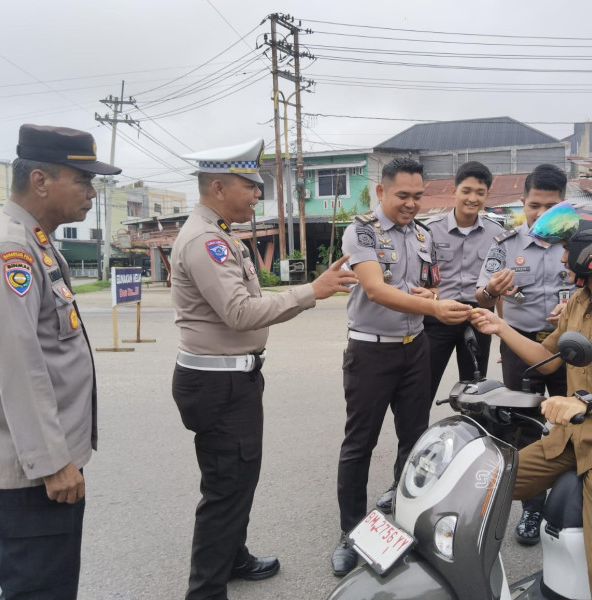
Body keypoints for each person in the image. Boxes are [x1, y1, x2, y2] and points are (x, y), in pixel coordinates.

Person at [171, 139, 357, 600]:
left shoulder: (219, 233)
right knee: (226, 486)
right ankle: (206, 590)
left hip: (230, 377)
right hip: (218, 382)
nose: (258, 195)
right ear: (218, 186)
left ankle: (232, 557)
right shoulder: (205, 241)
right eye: (250, 186)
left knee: (238, 477)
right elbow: (239, 313)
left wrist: (313, 291)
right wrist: (311, 291)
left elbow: (251, 307)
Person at [470, 201, 592, 600]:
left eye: (566, 247)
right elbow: (546, 363)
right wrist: (501, 327)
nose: (561, 256)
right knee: (483, 489)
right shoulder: (579, 302)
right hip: (572, 439)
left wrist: (583, 404)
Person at [0, 124, 120, 598]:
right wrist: (53, 463)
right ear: (41, 181)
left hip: (43, 463)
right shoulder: (9, 250)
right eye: (84, 180)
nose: (92, 194)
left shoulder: (34, 240)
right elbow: (18, 367)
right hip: (31, 473)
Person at [331, 157, 473, 576]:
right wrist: (432, 305)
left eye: (417, 196)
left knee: (415, 441)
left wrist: (428, 296)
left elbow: (427, 285)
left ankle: (407, 524)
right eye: (402, 196)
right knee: (360, 444)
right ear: (381, 192)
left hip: (416, 348)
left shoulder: (423, 234)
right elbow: (375, 290)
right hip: (371, 352)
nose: (411, 204)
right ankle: (351, 532)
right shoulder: (361, 231)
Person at [474, 163, 574, 545]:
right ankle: (532, 511)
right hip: (520, 348)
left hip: (571, 348)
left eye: (552, 206)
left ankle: (569, 504)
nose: (542, 214)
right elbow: (480, 295)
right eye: (535, 205)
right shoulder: (505, 245)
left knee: (573, 425)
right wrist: (491, 292)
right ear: (523, 202)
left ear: (565, 204)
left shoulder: (579, 244)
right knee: (525, 430)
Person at [422, 161, 504, 405]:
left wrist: (503, 328)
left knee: (475, 390)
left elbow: (500, 286)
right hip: (438, 317)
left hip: (479, 316)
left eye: (480, 193)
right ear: (454, 191)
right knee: (423, 385)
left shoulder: (497, 234)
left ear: (487, 195)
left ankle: (472, 438)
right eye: (466, 191)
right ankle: (415, 440)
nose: (472, 198)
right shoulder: (430, 231)